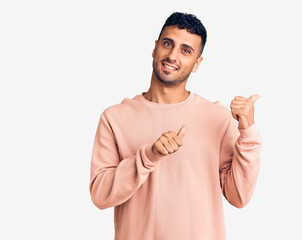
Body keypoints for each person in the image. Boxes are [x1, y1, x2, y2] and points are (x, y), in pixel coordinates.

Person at [89, 11, 262, 240]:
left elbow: (238, 196)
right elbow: (100, 196)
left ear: (197, 63)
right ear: (155, 47)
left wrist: (247, 131)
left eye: (186, 50)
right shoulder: (114, 118)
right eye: (168, 44)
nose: (172, 55)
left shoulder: (217, 118)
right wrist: (149, 156)